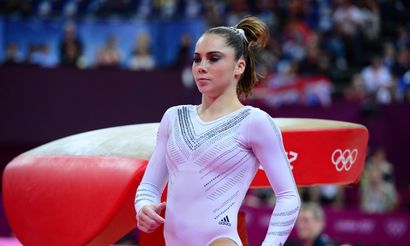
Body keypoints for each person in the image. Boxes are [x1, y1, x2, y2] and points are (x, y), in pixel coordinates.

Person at [134, 16, 301, 246]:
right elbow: (149, 187)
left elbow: (288, 196)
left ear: (239, 66)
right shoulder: (174, 117)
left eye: (213, 59)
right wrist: (144, 206)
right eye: (197, 59)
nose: (202, 67)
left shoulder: (253, 122)